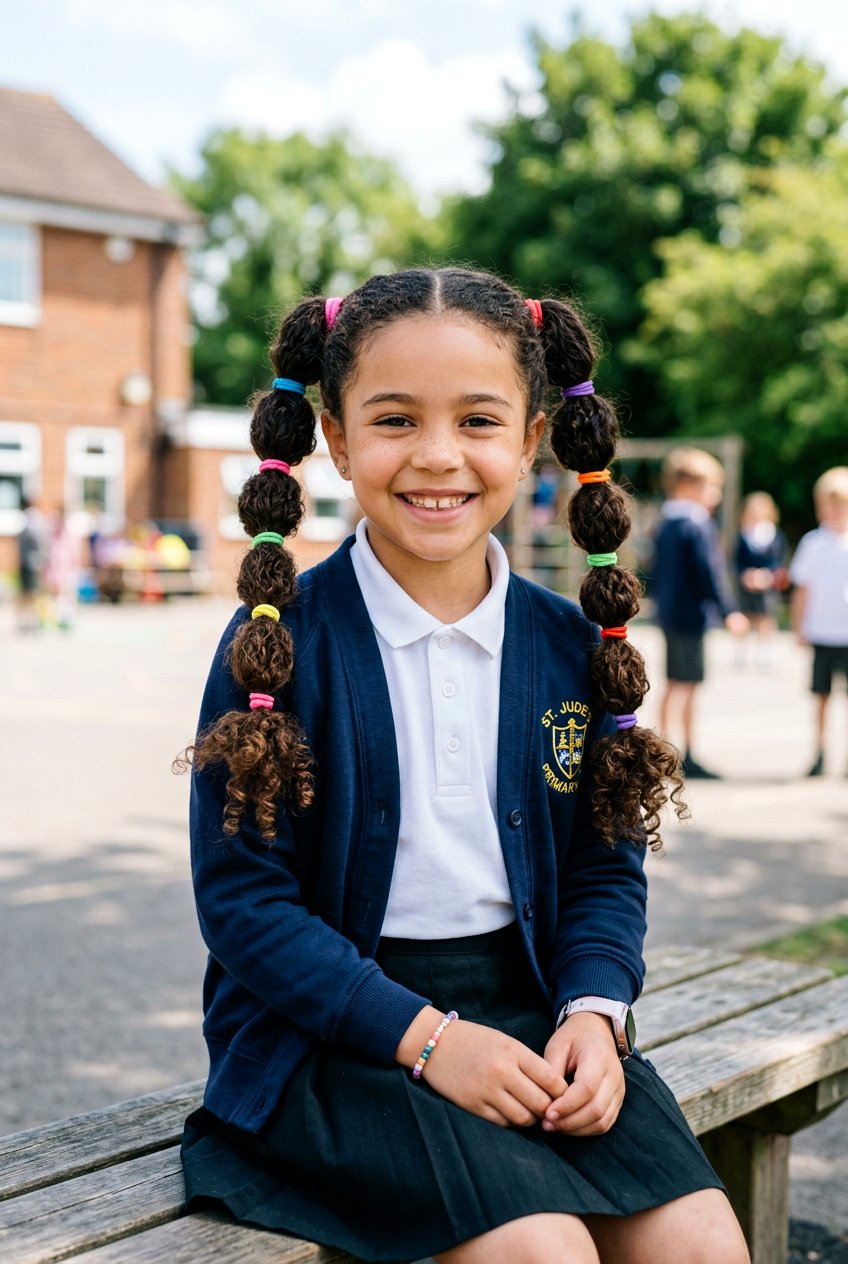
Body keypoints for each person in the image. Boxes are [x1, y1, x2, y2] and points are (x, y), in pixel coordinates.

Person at [178, 269, 749, 1264]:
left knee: (700, 1243)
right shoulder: (276, 647)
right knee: (540, 1251)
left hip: (528, 1003)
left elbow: (605, 870)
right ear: (338, 439)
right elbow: (245, 906)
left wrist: (593, 1010)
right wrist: (429, 1039)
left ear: (530, 440)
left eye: (477, 421)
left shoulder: (571, 646)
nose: (437, 456)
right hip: (333, 1034)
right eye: (394, 419)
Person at [652, 447, 748, 779]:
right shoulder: (695, 523)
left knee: (678, 682)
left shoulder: (665, 523)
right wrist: (729, 611)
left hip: (669, 613)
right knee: (685, 684)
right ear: (688, 485)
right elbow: (710, 572)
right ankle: (676, 752)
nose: (716, 495)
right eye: (711, 487)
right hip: (690, 615)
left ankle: (673, 748)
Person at [789, 466, 848, 777]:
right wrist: (800, 626)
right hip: (823, 631)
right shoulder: (813, 542)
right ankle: (821, 751)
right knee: (821, 697)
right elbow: (803, 588)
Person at [733, 492, 789, 671]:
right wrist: (746, 575)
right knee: (747, 615)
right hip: (748, 582)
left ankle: (765, 650)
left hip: (768, 583)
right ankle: (742, 649)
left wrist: (768, 575)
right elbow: (737, 560)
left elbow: (779, 559)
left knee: (766, 616)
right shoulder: (744, 534)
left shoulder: (774, 534)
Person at [15, 496, 46, 633]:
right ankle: (28, 620)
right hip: (28, 563)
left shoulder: (32, 520)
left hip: (31, 564)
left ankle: (31, 620)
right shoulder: (32, 519)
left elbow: (40, 542)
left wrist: (39, 560)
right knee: (27, 593)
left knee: (31, 593)